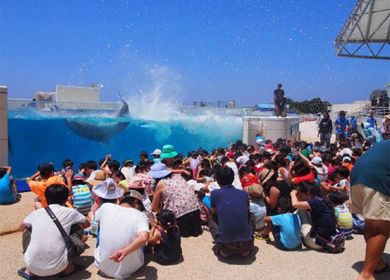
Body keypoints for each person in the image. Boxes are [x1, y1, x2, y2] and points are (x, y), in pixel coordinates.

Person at [18, 184, 88, 279]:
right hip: (59, 267)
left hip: (32, 266)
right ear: (65, 199)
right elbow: (86, 223)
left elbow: (21, 228)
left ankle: (29, 270)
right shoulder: (70, 212)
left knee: (28, 228)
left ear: (46, 198)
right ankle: (69, 268)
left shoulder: (36, 213)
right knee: (79, 226)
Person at [350, 140, 390, 280]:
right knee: (380, 230)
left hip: (358, 177)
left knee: (372, 224)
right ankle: (366, 275)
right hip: (377, 180)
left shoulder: (384, 143)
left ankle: (377, 263)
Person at [94, 192, 149, 279]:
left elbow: (95, 215)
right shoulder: (141, 215)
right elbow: (144, 237)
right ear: (135, 203)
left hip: (102, 266)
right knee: (141, 239)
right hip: (129, 269)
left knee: (101, 225)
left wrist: (96, 203)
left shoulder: (106, 206)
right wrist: (124, 252)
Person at [210, 166, 253, 258]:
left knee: (211, 218)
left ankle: (222, 246)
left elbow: (214, 213)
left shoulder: (214, 194)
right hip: (246, 245)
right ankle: (244, 248)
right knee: (251, 215)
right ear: (233, 178)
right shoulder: (244, 194)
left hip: (224, 246)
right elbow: (247, 211)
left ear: (217, 180)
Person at [151, 161, 202, 237]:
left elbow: (154, 208)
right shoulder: (179, 176)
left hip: (180, 217)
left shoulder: (161, 183)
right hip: (196, 211)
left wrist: (163, 212)